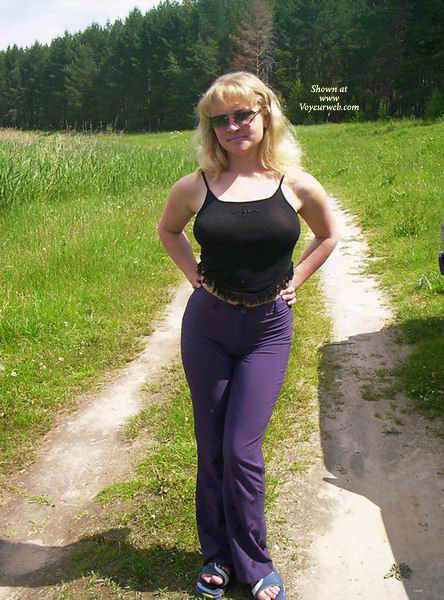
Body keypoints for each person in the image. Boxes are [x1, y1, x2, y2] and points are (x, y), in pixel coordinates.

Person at [157, 71, 339, 600]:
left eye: (243, 115)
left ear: (265, 115)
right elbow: (168, 229)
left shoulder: (295, 184)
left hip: (267, 329)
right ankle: (216, 555)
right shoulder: (196, 185)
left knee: (240, 448)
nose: (233, 126)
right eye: (221, 120)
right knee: (212, 444)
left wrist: (295, 279)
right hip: (208, 327)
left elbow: (328, 235)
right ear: (210, 129)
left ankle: (255, 562)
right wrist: (192, 274)